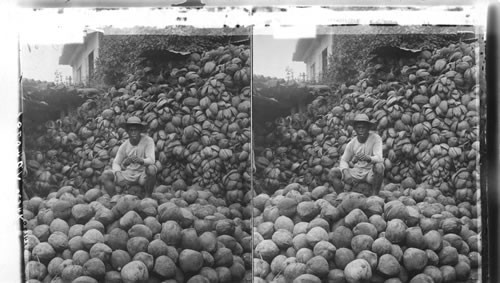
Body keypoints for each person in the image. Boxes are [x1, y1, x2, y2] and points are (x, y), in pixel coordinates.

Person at [329, 114, 384, 196]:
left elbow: (379, 158)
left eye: (364, 127)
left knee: (379, 167)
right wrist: (346, 172)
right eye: (359, 128)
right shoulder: (352, 143)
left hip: (370, 173)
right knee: (333, 172)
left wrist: (369, 158)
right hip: (357, 172)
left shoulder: (376, 138)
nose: (361, 130)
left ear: (368, 128)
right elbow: (344, 160)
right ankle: (341, 196)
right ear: (355, 129)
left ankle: (374, 196)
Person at [101, 116, 157, 197]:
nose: (133, 132)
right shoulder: (124, 145)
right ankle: (115, 198)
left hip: (142, 175)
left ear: (140, 130)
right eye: (131, 130)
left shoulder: (148, 141)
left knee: (152, 169)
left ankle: (148, 196)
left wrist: (141, 161)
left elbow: (152, 160)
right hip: (128, 175)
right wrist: (118, 173)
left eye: (136, 130)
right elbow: (116, 162)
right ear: (127, 132)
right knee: (105, 175)